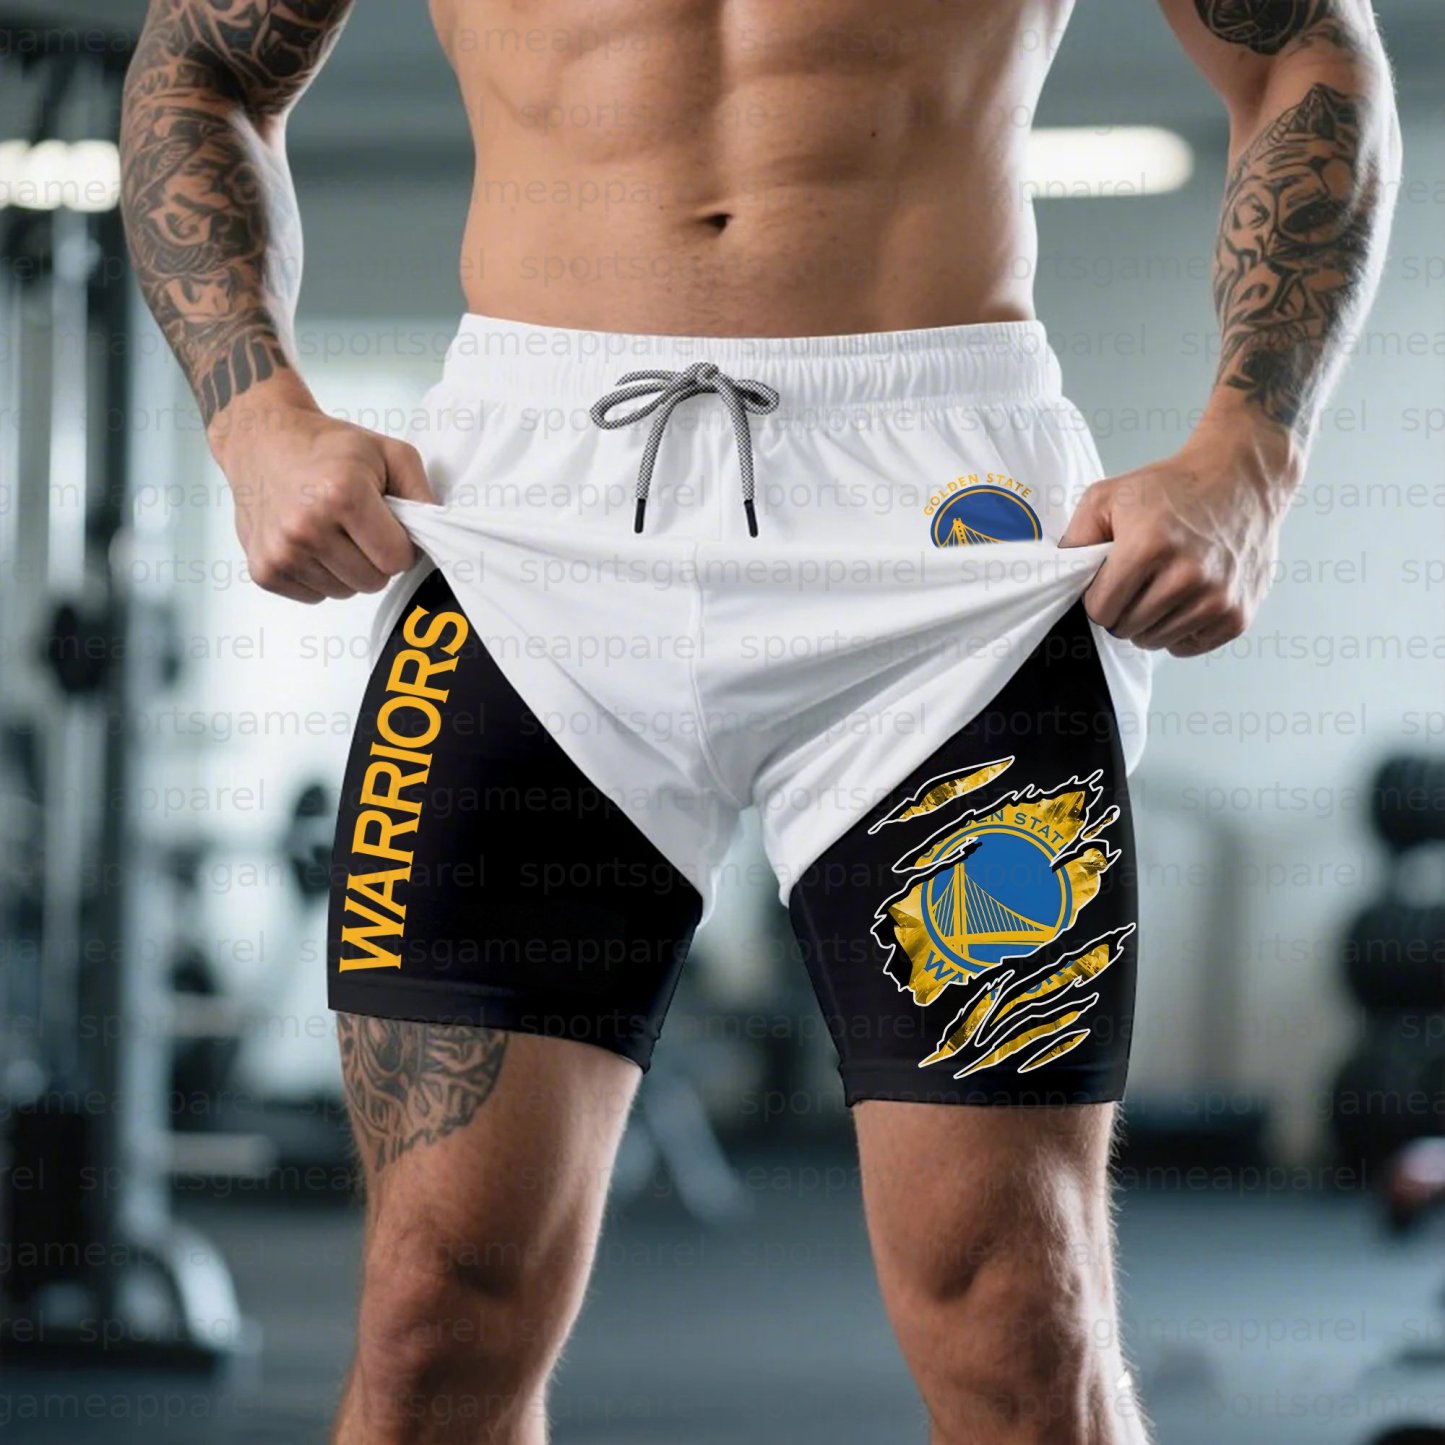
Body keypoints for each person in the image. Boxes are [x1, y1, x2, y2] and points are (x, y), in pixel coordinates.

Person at [119, 3, 1400, 1442]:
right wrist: (256, 420)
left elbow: (1305, 43)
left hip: (940, 522)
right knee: (432, 1315)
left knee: (1018, 1320)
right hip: (528, 516)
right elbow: (203, 65)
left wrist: (1253, 450)